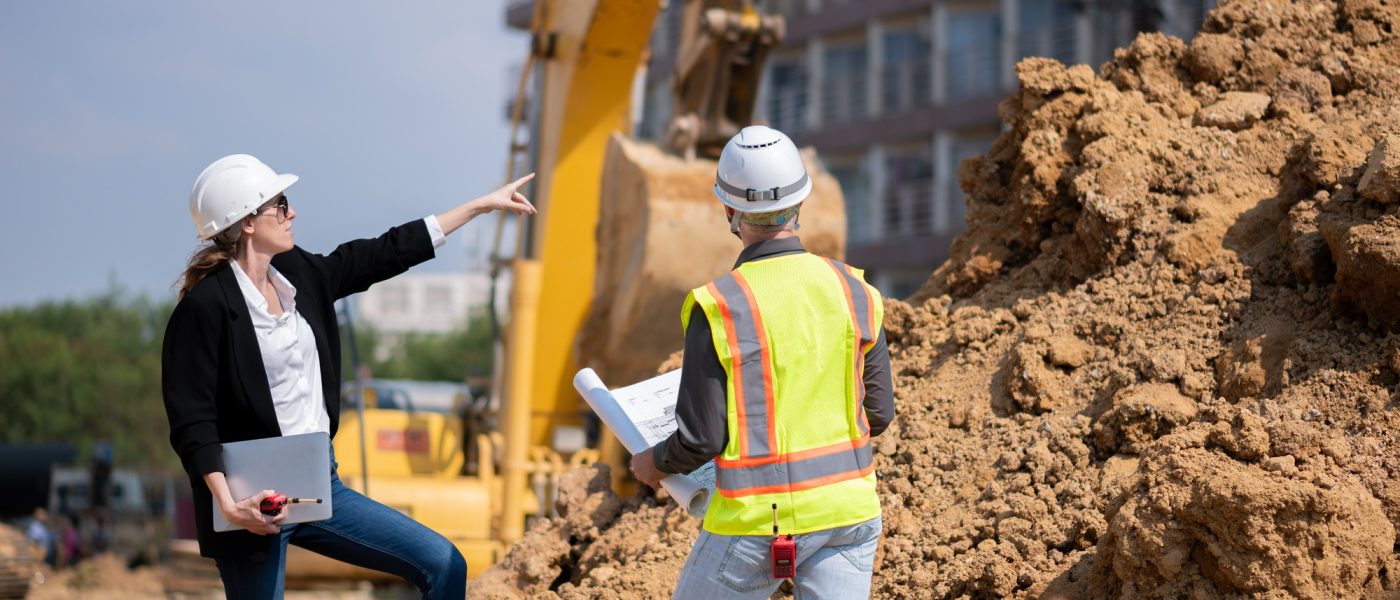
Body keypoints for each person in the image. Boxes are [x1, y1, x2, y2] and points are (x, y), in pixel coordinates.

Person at [162, 154, 536, 599]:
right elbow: (192, 419)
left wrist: (478, 207)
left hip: (321, 483)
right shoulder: (205, 308)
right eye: (280, 204)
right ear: (246, 222)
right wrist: (228, 504)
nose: (292, 212)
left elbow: (384, 252)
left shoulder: (300, 274)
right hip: (252, 504)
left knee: (443, 561)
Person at [631, 125, 896, 599]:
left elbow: (702, 437)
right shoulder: (857, 290)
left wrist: (652, 462)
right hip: (851, 515)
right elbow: (877, 413)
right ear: (802, 200)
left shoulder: (719, 305)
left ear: (729, 210)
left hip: (759, 523)